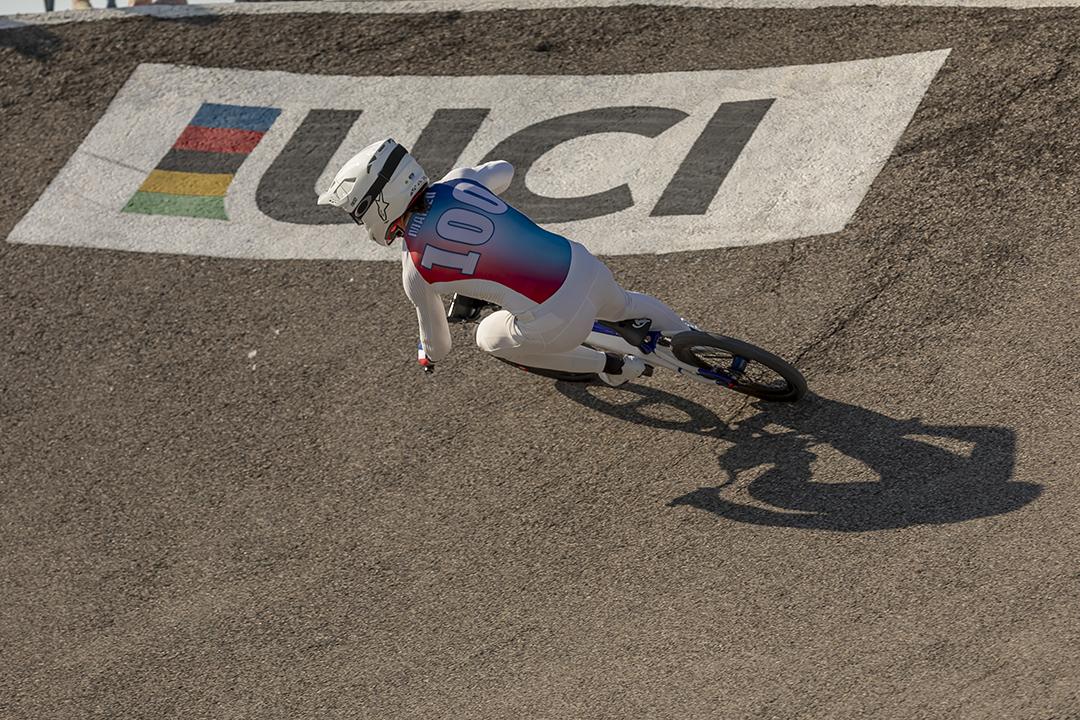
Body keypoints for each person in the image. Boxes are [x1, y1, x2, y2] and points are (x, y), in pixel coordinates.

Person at [317, 138, 691, 386]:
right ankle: (691, 335)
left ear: (380, 204)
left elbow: (440, 345)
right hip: (582, 265)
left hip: (557, 318)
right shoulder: (460, 182)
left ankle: (612, 367)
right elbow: (505, 169)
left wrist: (425, 353)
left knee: (489, 336)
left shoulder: (415, 268)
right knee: (625, 302)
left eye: (358, 212)